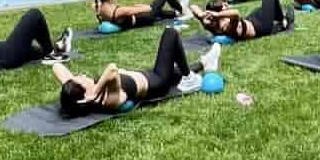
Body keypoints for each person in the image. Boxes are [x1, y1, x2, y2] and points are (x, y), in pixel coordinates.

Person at [56, 28, 222, 116]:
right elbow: (112, 69)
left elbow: (56, 67)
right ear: (86, 95)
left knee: (176, 67)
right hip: (157, 81)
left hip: (147, 74)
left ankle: (205, 63)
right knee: (170, 33)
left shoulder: (85, 92)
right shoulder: (108, 99)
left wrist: (69, 82)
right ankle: (189, 78)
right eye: (79, 79)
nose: (81, 75)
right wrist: (96, 91)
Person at [191, 0, 293, 40]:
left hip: (251, 20)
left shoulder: (211, 24)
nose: (227, 4)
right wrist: (217, 15)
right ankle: (283, 21)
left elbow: (192, 6)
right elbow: (236, 14)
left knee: (263, 8)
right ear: (220, 13)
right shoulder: (225, 27)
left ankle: (276, 15)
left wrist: (201, 15)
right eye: (224, 5)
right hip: (261, 27)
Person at [94, 0, 190, 29]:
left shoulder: (101, 8)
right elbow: (148, 9)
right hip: (146, 19)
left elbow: (99, 13)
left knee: (158, 12)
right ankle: (182, 9)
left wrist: (137, 6)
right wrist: (145, 6)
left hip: (135, 19)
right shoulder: (120, 11)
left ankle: (175, 13)